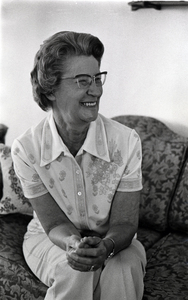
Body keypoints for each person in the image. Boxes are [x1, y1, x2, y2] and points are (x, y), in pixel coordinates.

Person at [12, 31, 146, 300]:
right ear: (50, 88)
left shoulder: (126, 141)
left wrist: (107, 245)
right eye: (83, 81)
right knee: (75, 270)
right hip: (52, 239)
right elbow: (54, 225)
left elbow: (124, 222)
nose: (96, 90)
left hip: (114, 238)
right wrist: (74, 245)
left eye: (97, 78)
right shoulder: (27, 149)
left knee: (125, 266)